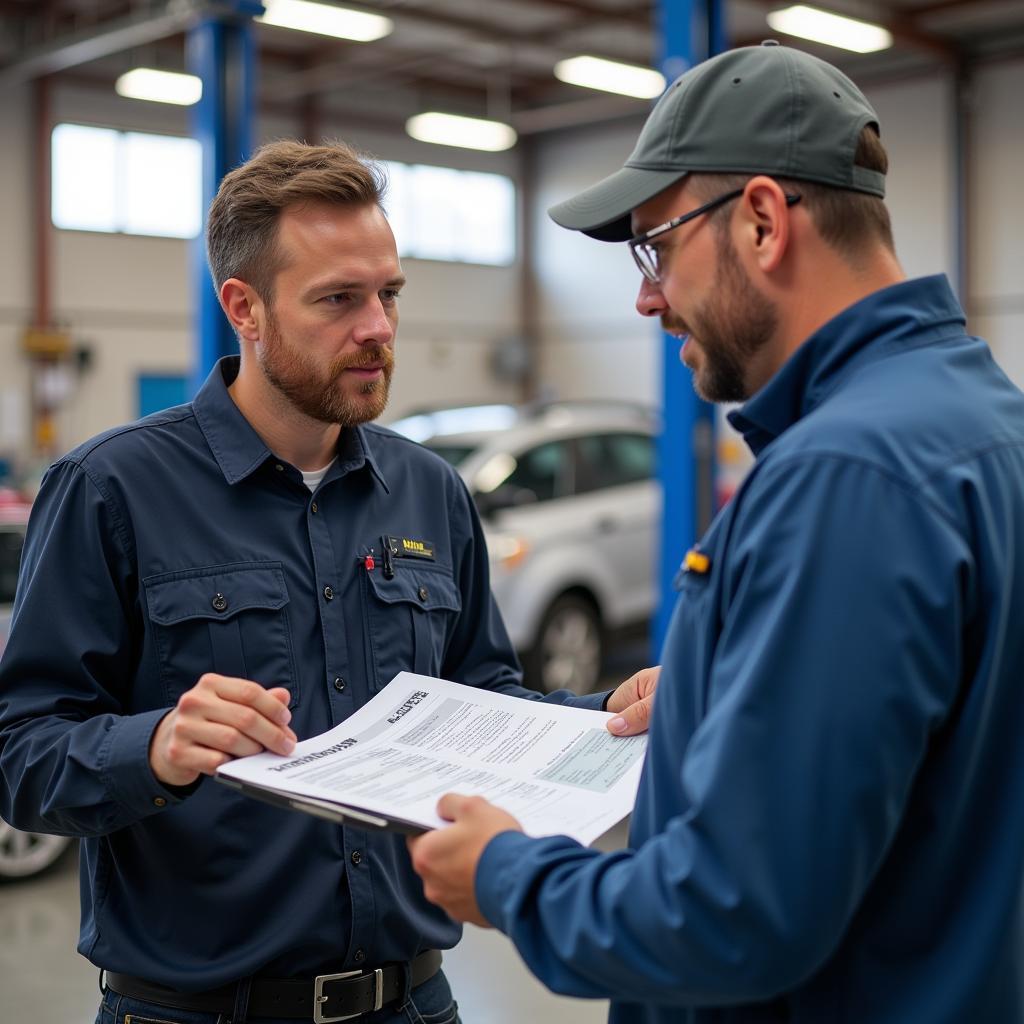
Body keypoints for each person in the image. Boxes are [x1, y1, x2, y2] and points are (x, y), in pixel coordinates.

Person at [408, 41, 1024, 1023]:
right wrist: (709, 689)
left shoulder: (842, 476)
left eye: (655, 247)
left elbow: (732, 916)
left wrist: (507, 875)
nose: (646, 297)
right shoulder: (985, 421)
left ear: (764, 221)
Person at [0, 139, 656, 1024]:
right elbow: (22, 755)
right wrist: (154, 747)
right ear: (246, 309)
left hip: (413, 1002)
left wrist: (609, 716)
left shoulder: (430, 490)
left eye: (388, 294)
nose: (379, 327)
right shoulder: (112, 489)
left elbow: (481, 701)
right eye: (339, 300)